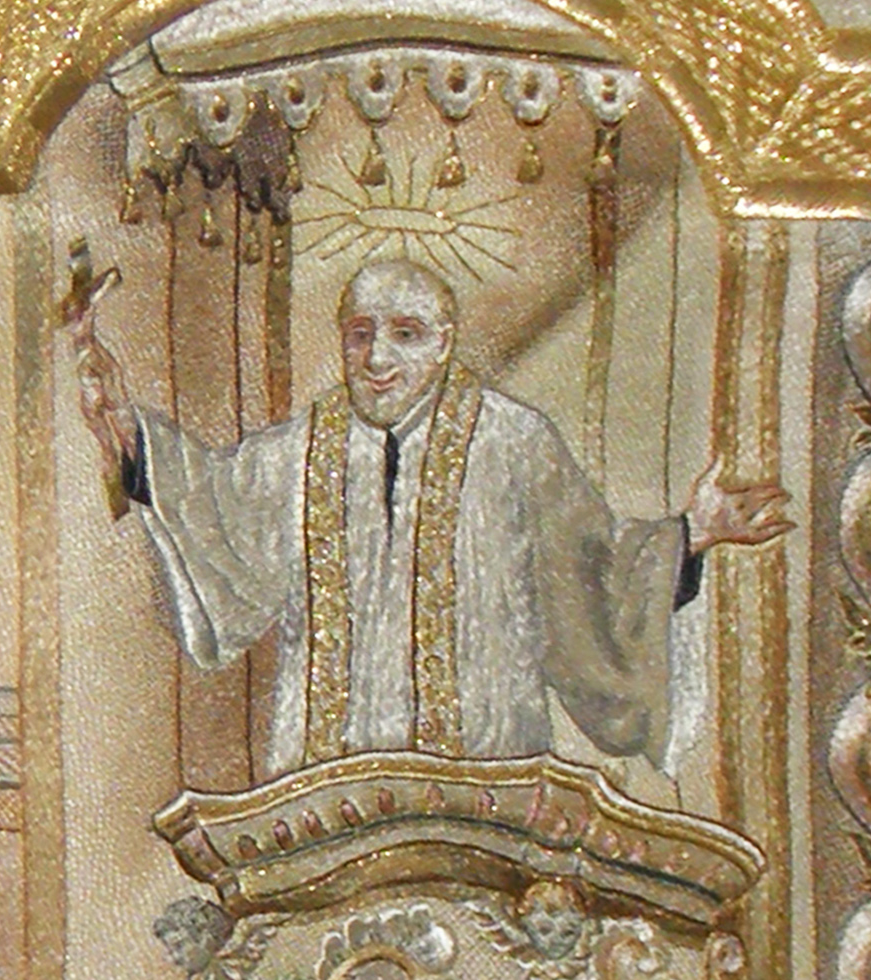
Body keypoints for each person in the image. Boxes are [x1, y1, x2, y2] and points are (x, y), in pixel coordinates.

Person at [64, 252, 788, 777]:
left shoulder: (515, 442)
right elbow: (214, 507)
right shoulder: (297, 453)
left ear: (444, 344)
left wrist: (692, 536)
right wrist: (122, 424)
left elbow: (593, 576)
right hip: (326, 796)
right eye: (360, 333)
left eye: (405, 333)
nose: (377, 357)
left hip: (488, 789)